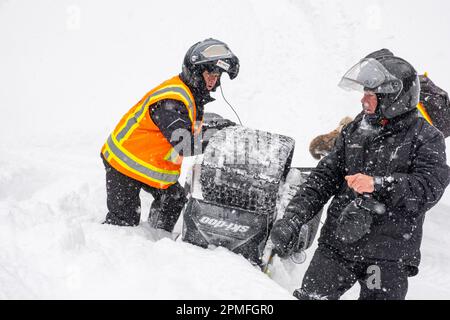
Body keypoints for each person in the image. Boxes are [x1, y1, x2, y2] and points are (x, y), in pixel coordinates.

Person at [270, 49, 450, 300]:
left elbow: (429, 187)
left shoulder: (426, 137)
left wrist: (378, 185)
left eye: (370, 94)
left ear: (393, 98)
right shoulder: (356, 129)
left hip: (387, 257)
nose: (363, 100)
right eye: (364, 93)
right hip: (338, 246)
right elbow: (323, 178)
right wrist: (294, 217)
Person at [100, 38, 239, 235]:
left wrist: (217, 127)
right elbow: (185, 144)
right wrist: (218, 137)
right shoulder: (172, 99)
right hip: (123, 165)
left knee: (174, 198)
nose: (213, 80)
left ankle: (157, 238)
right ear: (197, 72)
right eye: (210, 73)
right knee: (123, 224)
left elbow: (188, 128)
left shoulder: (191, 98)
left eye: (217, 75)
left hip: (147, 164)